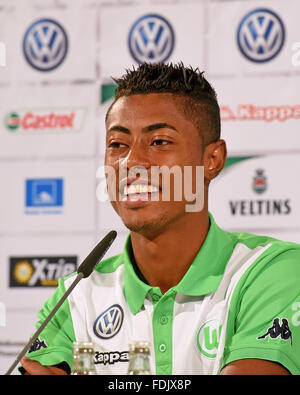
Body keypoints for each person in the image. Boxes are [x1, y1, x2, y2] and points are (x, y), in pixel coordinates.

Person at [20, 62, 300, 375]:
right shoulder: (77, 296)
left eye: (159, 142)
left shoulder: (270, 271)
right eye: (117, 144)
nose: (132, 161)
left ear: (213, 159)